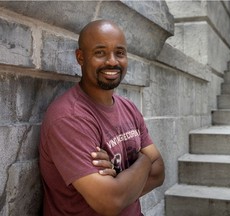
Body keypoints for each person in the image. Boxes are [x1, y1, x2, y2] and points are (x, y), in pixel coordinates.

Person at [39, 19, 165, 216]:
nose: (113, 61)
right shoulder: (69, 117)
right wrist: (145, 160)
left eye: (120, 53)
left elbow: (159, 173)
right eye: (100, 52)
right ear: (80, 57)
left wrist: (120, 181)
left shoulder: (128, 107)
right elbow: (110, 202)